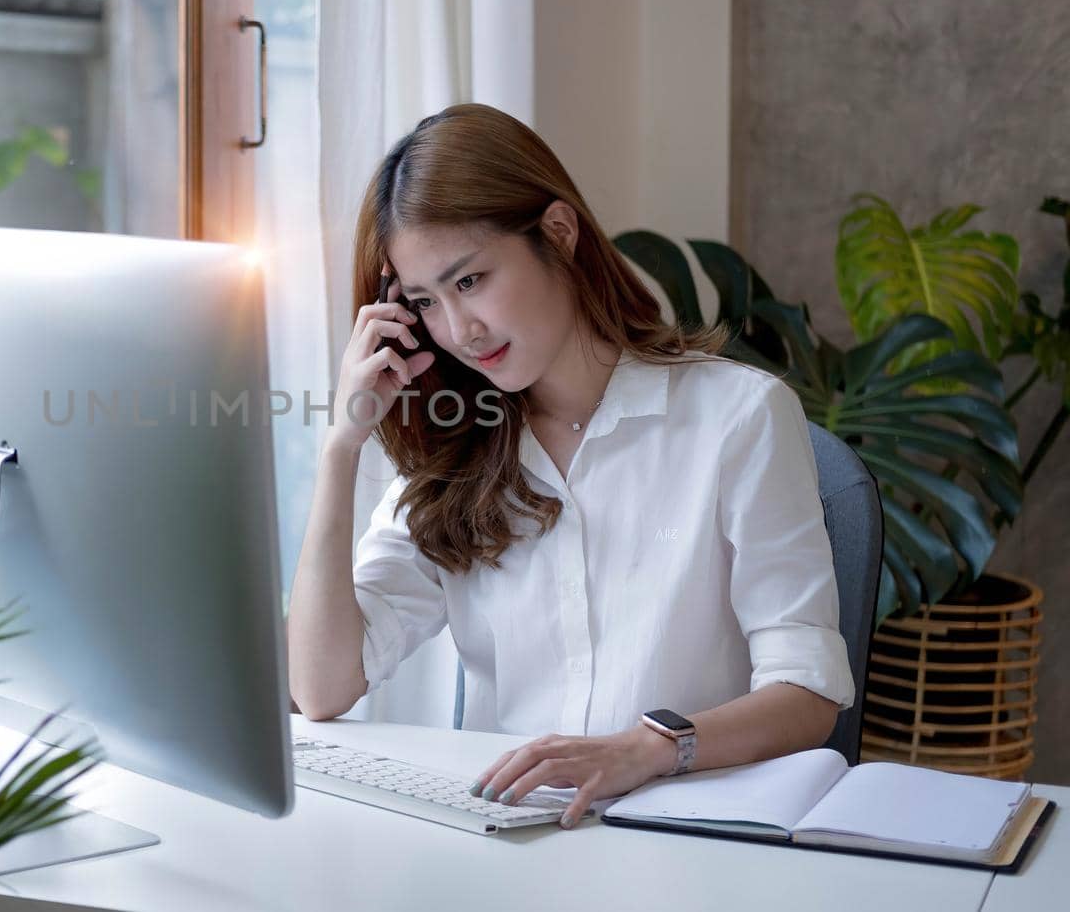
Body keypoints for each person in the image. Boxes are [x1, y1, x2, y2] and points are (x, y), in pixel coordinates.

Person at [285, 103, 855, 831]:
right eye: (425, 301)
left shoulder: (737, 419)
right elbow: (322, 687)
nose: (460, 331)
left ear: (558, 232)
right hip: (506, 846)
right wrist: (341, 447)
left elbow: (807, 693)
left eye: (470, 281)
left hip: (688, 843)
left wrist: (644, 749)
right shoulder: (454, 458)